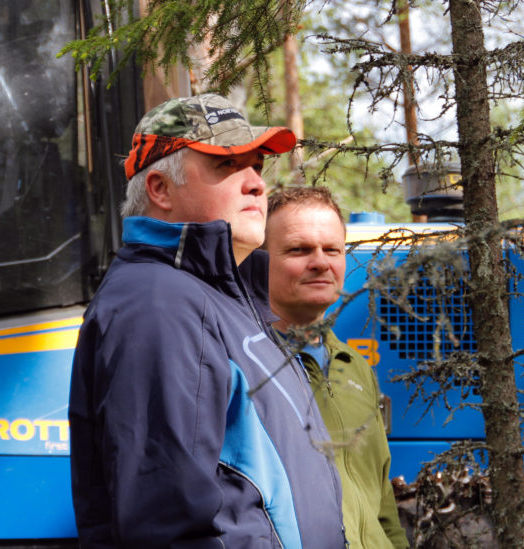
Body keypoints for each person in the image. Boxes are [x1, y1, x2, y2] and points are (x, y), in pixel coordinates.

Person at [68, 94, 346, 548]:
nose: (257, 184)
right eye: (228, 165)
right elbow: (173, 523)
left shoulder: (222, 299)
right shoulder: (158, 305)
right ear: (160, 189)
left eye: (257, 166)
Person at [265, 187, 409, 549]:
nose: (320, 262)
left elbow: (382, 505)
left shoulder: (355, 367)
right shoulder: (247, 367)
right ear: (258, 259)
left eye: (332, 250)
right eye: (299, 250)